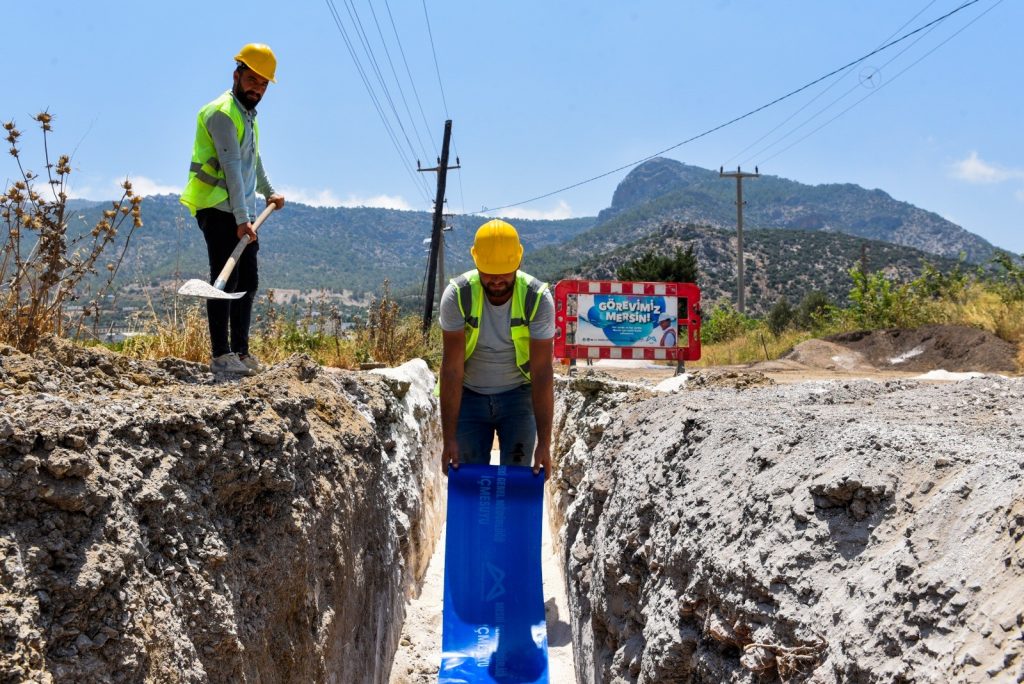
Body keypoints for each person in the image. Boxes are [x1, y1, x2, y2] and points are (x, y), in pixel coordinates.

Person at [180, 43, 286, 375]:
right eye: (253, 80)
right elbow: (231, 168)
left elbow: (253, 161)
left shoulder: (247, 116)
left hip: (241, 211)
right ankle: (221, 354)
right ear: (236, 75)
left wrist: (269, 192)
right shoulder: (223, 113)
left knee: (248, 280)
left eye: (264, 84)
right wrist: (242, 219)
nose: (258, 88)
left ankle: (240, 352)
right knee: (225, 280)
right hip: (217, 207)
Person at [438, 220, 555, 479]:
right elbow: (451, 369)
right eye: (489, 273)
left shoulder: (537, 299)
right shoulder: (457, 295)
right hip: (469, 397)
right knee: (468, 480)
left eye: (504, 273)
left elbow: (542, 372)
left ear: (518, 263)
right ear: (476, 262)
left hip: (519, 398)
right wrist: (448, 439)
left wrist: (545, 444)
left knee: (516, 481)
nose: (497, 281)